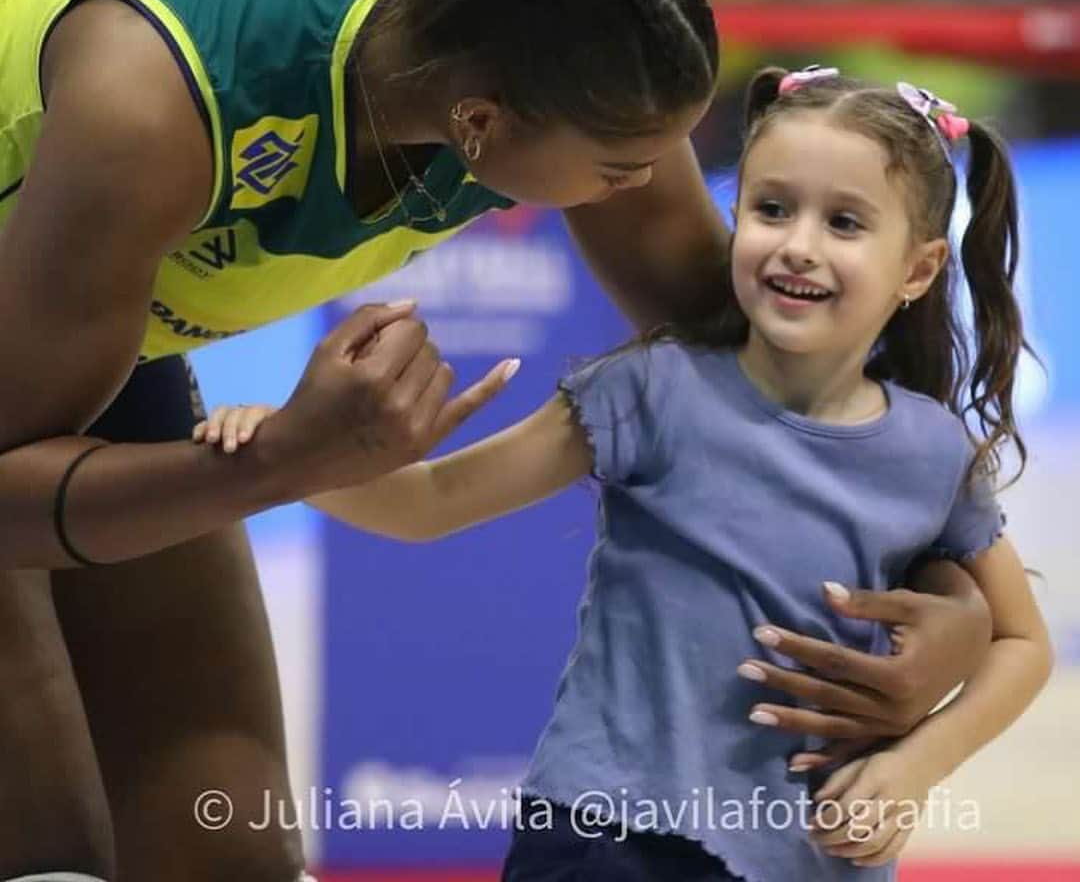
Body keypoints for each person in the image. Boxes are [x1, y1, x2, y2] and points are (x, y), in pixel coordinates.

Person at [0, 0, 988, 879]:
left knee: (227, 851)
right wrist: (287, 463)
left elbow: (790, 370)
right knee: (54, 858)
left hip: (78, 348)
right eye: (624, 167)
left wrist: (959, 607)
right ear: (480, 130)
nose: (657, 187)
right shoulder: (151, 106)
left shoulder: (545, 40)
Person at [201, 64, 1053, 880]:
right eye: (771, 208)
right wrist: (285, 452)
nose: (796, 246)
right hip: (602, 836)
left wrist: (918, 764)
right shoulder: (651, 386)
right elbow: (430, 503)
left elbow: (1023, 643)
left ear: (919, 268)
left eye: (844, 224)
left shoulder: (933, 453)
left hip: (811, 853)